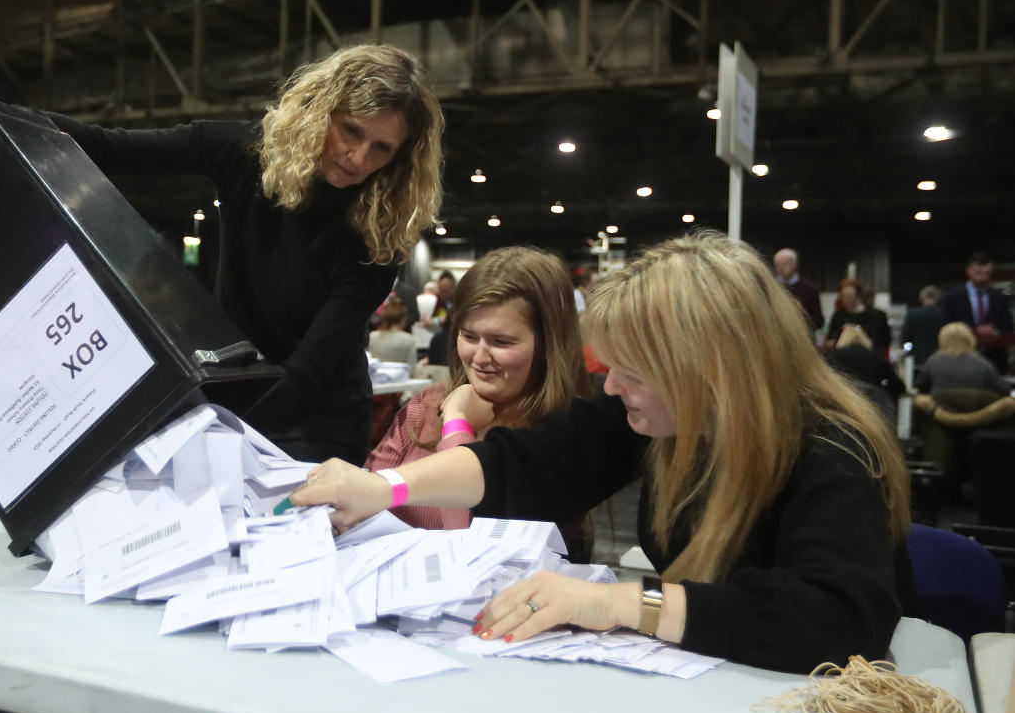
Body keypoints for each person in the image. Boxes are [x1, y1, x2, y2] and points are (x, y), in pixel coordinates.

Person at [293, 231, 912, 674]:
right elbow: (530, 463)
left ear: (710, 374)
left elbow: (838, 619)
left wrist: (621, 602)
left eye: (634, 373)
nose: (612, 388)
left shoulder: (834, 448)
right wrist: (386, 489)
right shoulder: (657, 418)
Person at [0, 43, 445, 466]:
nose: (359, 157)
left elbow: (310, 370)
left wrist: (214, 430)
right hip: (231, 393)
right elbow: (109, 145)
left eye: (382, 148)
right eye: (351, 130)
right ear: (319, 112)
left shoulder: (380, 237)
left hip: (319, 421)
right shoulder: (242, 154)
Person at [365, 246, 591, 533]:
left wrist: (457, 424)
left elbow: (470, 543)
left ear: (549, 343)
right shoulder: (428, 403)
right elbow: (368, 493)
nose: (480, 358)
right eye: (469, 336)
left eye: (502, 342)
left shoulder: (557, 434)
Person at [939, 252, 1013, 374]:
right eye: (978, 273)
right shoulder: (952, 297)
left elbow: (1008, 327)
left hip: (995, 361)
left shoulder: (1000, 298)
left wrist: (993, 332)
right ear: (969, 271)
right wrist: (973, 331)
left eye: (987, 274)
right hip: (961, 358)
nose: (983, 277)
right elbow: (946, 327)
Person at [826, 324, 905, 422]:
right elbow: (899, 386)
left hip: (844, 406)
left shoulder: (834, 356)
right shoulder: (876, 357)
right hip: (875, 408)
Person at [915, 321, 1008, 398]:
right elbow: (1004, 390)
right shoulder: (983, 364)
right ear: (970, 339)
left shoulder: (933, 361)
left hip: (939, 416)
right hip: (976, 416)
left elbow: (920, 387)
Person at [824, 277, 891, 356]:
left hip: (869, 358)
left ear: (857, 296)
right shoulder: (838, 316)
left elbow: (884, 342)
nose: (845, 300)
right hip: (844, 359)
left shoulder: (876, 316)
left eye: (849, 297)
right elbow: (830, 338)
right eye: (843, 297)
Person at [773, 247, 825, 332]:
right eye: (777, 264)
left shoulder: (810, 289)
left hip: (802, 337)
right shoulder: (771, 288)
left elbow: (818, 320)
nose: (781, 268)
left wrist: (798, 321)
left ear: (795, 264)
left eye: (785, 264)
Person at [367, 295, 418, 369]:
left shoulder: (372, 336)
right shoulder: (409, 340)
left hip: (375, 379)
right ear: (403, 319)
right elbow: (411, 370)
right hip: (400, 380)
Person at [902, 284, 945, 366]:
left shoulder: (912, 314)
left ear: (921, 299)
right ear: (937, 298)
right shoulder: (944, 314)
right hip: (939, 357)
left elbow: (906, 337)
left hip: (918, 357)